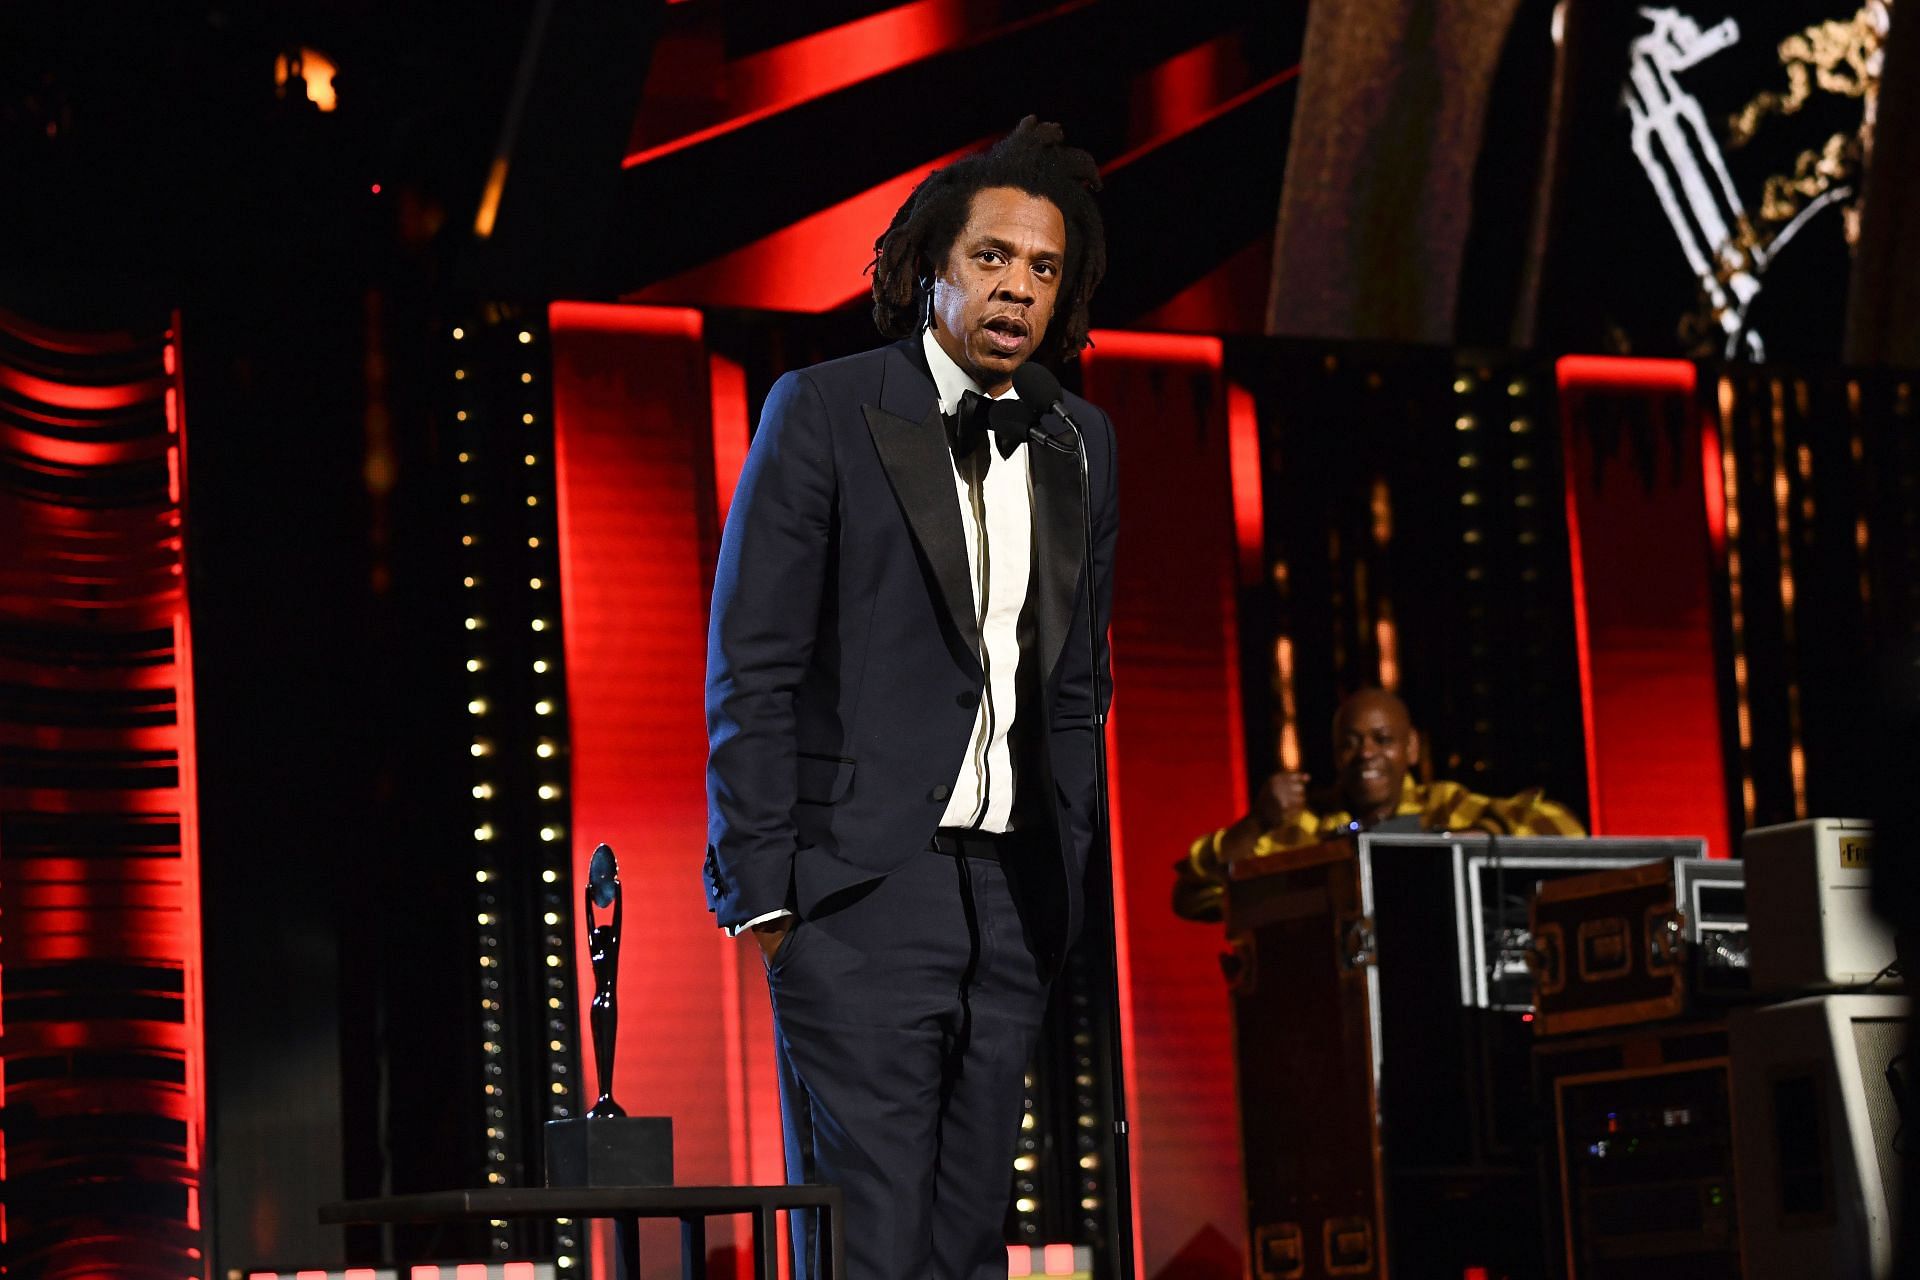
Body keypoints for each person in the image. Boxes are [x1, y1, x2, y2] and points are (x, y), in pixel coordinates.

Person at [703, 118, 1116, 1280]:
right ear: (931, 265)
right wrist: (766, 894)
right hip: (859, 890)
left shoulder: (1082, 441)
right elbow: (754, 662)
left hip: (1011, 898)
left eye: (1043, 269)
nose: (1017, 289)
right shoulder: (827, 409)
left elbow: (1077, 683)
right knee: (871, 1241)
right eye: (993, 258)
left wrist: (1064, 869)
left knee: (970, 1243)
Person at [1173, 688, 1584, 921]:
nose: (1366, 753)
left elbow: (1567, 831)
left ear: (1410, 748)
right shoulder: (1305, 827)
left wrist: (1462, 840)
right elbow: (1193, 897)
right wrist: (1257, 823)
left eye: (1382, 740)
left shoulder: (1442, 804)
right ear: (1335, 756)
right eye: (1350, 744)